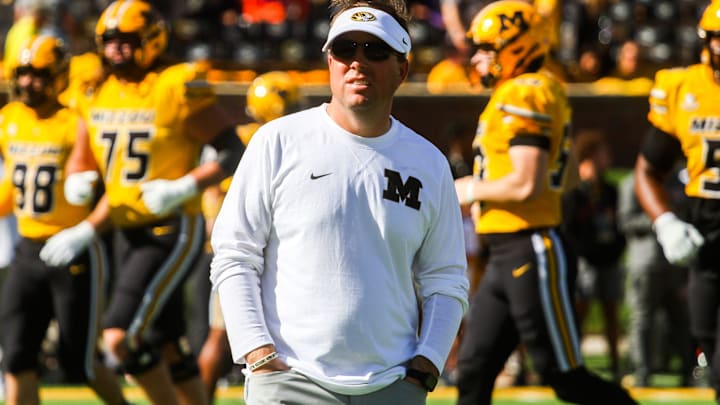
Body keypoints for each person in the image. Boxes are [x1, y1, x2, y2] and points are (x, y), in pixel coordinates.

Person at [210, 0, 470, 403]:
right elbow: (235, 255)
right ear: (329, 61)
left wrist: (427, 365)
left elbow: (446, 278)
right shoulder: (277, 142)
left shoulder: (429, 163)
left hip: (392, 386)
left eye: (375, 50)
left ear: (401, 68)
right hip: (288, 380)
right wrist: (257, 353)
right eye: (345, 49)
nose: (357, 62)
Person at [38, 1, 246, 404]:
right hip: (123, 229)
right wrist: (81, 176)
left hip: (170, 227)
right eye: (109, 41)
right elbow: (87, 149)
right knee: (164, 341)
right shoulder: (98, 87)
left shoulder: (176, 83)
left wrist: (184, 186)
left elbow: (231, 152)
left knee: (118, 338)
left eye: (125, 41)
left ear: (151, 40)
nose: (115, 50)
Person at [452, 2, 638, 404]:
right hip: (504, 250)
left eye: (488, 47)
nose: (478, 57)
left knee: (563, 375)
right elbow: (562, 176)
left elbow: (525, 183)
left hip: (531, 245)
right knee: (473, 370)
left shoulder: (527, 90)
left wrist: (469, 189)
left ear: (517, 46)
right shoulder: (523, 89)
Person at [0, 34, 129, 405]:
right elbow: (13, 189)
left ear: (57, 77)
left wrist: (84, 230)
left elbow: (112, 188)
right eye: (22, 73)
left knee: (80, 361)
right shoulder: (9, 119)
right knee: (17, 356)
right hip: (27, 250)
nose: (27, 82)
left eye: (38, 74)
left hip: (73, 250)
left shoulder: (77, 121)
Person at [195, 70, 304, 403]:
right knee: (226, 334)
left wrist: (215, 227)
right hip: (265, 248)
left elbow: (210, 192)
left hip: (236, 246)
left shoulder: (235, 138)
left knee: (223, 332)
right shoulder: (290, 138)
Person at [634, 0, 720, 398]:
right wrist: (665, 221)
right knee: (706, 335)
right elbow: (648, 170)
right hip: (708, 226)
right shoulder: (684, 87)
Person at [560, 131, 626, 381]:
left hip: (608, 260)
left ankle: (615, 364)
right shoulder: (576, 190)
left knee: (611, 313)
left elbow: (617, 225)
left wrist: (615, 249)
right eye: (602, 153)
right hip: (585, 262)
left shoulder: (609, 189)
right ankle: (574, 362)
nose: (607, 158)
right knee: (580, 313)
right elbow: (569, 229)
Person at [618, 170, 694, 387]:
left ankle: (690, 370)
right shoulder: (632, 182)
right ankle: (642, 371)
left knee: (681, 318)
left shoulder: (677, 181)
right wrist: (662, 219)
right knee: (642, 318)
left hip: (676, 262)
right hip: (646, 262)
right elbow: (625, 221)